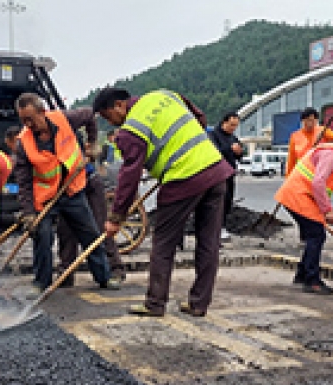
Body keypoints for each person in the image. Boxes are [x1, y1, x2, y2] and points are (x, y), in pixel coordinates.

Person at [94, 87, 232, 317]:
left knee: (163, 244)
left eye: (109, 117)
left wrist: (116, 217)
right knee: (209, 242)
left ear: (119, 105)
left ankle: (155, 303)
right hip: (215, 170)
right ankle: (199, 304)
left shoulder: (131, 130)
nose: (112, 124)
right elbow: (200, 118)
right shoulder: (164, 95)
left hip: (183, 179)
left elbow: (130, 176)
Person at [13, 92, 121, 298]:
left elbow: (90, 115)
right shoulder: (23, 143)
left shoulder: (65, 119)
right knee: (42, 236)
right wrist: (28, 213)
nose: (28, 124)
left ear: (42, 112)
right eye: (23, 120)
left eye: (30, 119)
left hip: (73, 190)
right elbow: (24, 182)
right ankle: (41, 283)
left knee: (90, 234)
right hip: (45, 198)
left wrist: (93, 143)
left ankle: (104, 277)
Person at [274, 130, 333, 294]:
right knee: (316, 235)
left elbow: (320, 187)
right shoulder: (331, 154)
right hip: (298, 196)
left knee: (314, 235)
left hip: (299, 196)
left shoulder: (332, 153)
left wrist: (323, 210)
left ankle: (303, 275)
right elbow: (318, 183)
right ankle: (312, 281)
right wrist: (327, 210)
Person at [57, 141, 126, 287]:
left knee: (99, 227)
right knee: (66, 230)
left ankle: (114, 270)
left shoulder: (67, 130)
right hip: (66, 189)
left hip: (89, 184)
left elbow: (89, 119)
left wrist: (94, 141)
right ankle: (66, 272)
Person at [207, 112, 245, 241]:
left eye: (235, 126)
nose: (233, 128)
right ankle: (214, 228)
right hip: (217, 175)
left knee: (228, 201)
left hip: (230, 174)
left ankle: (222, 226)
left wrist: (239, 152)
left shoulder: (233, 137)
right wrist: (230, 149)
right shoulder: (213, 135)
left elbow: (240, 155)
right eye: (231, 125)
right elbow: (215, 152)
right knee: (217, 202)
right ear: (224, 122)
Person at [286, 107, 333, 177]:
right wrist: (289, 177)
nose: (311, 123)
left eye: (314, 120)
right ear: (302, 120)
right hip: (302, 174)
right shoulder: (295, 136)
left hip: (320, 173)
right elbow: (291, 160)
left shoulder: (323, 131)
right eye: (308, 120)